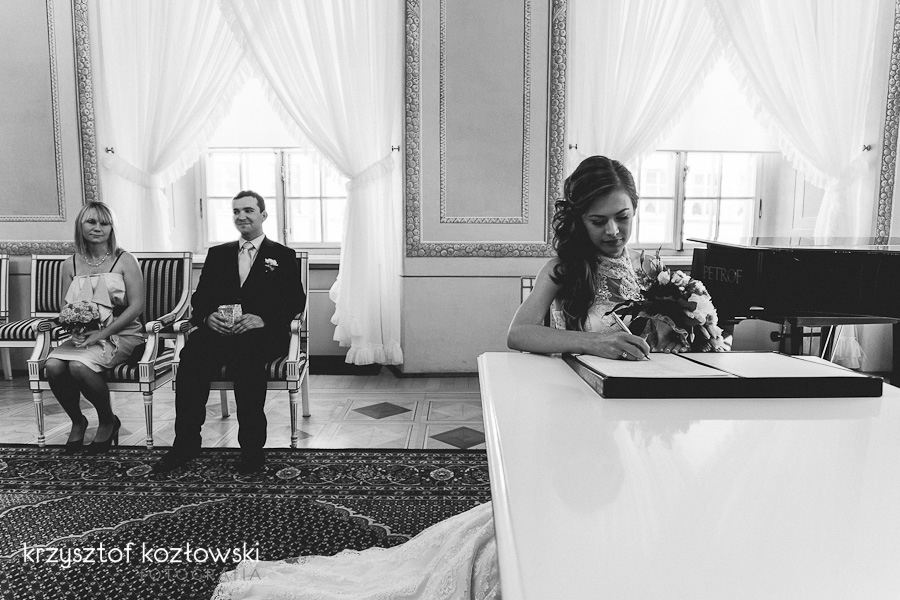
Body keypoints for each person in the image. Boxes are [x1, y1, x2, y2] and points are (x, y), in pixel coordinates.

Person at [210, 157, 680, 600]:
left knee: (612, 507)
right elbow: (518, 333)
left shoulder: (643, 269)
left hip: (627, 408)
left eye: (622, 217)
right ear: (579, 220)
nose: (613, 231)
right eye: (599, 221)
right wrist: (593, 343)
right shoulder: (564, 270)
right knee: (562, 512)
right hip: (575, 408)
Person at [152, 190, 305, 475]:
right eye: (236, 211)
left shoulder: (282, 255)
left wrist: (263, 319)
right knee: (191, 357)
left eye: (248, 210)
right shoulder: (218, 254)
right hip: (219, 331)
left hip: (262, 335)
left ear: (263, 215)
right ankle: (185, 443)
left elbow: (295, 300)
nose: (241, 216)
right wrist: (207, 317)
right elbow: (201, 299)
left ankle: (251, 449)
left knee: (247, 361)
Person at [46, 201, 144, 455]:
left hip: (123, 334)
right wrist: (75, 329)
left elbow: (136, 307)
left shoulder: (125, 260)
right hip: (86, 335)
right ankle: (77, 421)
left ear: (112, 228)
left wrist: (101, 334)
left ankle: (108, 420)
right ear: (80, 225)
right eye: (91, 221)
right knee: (53, 366)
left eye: (104, 223)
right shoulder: (70, 264)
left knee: (79, 366)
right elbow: (66, 308)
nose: (98, 227)